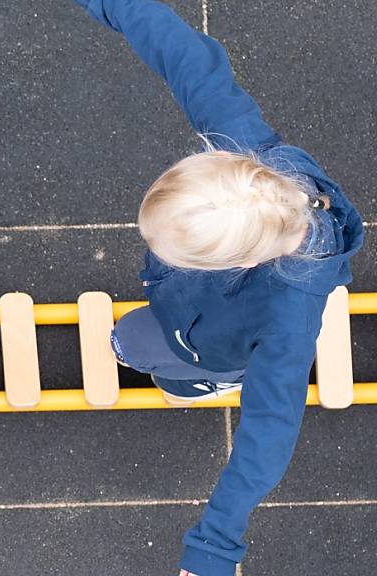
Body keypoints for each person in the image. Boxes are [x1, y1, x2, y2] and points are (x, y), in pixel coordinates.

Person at [73, 2, 364, 574]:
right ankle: (187, 356)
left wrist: (214, 545)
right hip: (188, 308)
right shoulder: (244, 156)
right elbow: (189, 60)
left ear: (240, 261)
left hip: (218, 341)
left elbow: (269, 433)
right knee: (131, 341)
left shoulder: (289, 317)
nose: (152, 253)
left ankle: (212, 378)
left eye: (168, 251)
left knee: (151, 356)